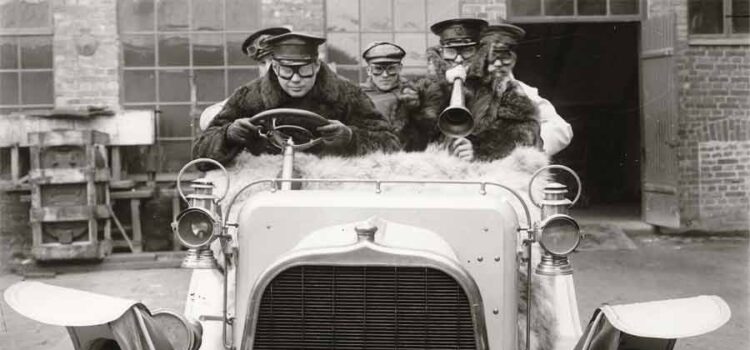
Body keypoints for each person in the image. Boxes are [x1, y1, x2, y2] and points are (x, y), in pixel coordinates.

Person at [192, 32, 401, 168]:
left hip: (332, 187)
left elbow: (391, 145)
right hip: (265, 188)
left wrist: (350, 137)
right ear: (274, 67)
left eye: (304, 70)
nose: (296, 79)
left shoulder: (346, 94)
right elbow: (200, 156)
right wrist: (227, 135)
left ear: (317, 66)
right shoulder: (249, 96)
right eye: (286, 71)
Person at [478, 23, 573, 156]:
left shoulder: (525, 92)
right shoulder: (471, 90)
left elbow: (562, 129)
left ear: (514, 60)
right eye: (492, 58)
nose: (498, 64)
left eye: (505, 57)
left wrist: (529, 143)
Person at [199, 27, 291, 130]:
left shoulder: (304, 85)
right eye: (262, 63)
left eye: (273, 61)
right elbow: (210, 117)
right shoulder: (251, 93)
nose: (267, 69)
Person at [358, 41, 443, 152]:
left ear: (399, 68)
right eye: (378, 69)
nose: (385, 75)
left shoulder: (414, 93)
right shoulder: (357, 95)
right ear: (369, 70)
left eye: (391, 69)